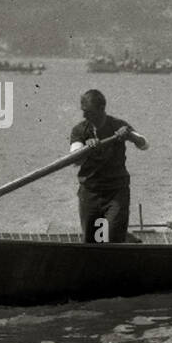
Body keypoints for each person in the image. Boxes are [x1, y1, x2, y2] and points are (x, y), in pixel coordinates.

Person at [68, 89, 148, 243]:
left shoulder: (119, 126)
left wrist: (130, 135)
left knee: (112, 238)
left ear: (101, 109)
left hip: (116, 193)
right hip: (90, 194)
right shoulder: (80, 130)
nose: (85, 116)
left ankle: (124, 240)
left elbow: (144, 144)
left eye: (89, 112)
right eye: (83, 112)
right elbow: (74, 159)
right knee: (92, 242)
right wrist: (86, 149)